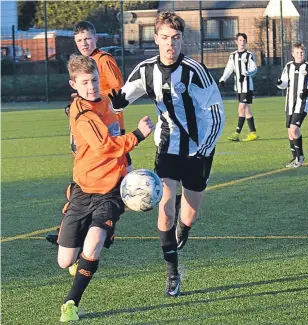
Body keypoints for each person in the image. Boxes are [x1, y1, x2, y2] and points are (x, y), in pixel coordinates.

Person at [108, 11, 225, 297]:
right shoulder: (146, 69)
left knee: (189, 214)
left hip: (199, 150)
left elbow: (217, 113)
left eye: (175, 38)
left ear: (182, 39)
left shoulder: (195, 71)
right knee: (164, 210)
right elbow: (120, 100)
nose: (170, 44)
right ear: (156, 38)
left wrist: (205, 148)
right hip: (167, 146)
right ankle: (172, 273)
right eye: (164, 38)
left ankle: (183, 230)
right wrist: (106, 103)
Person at [58, 54, 154, 322]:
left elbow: (116, 128)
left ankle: (71, 303)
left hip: (110, 189)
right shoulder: (83, 114)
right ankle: (70, 219)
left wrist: (128, 168)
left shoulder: (105, 102)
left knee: (95, 240)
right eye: (85, 82)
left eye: (95, 80)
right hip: (83, 187)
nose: (91, 87)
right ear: (74, 85)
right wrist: (138, 135)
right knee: (65, 262)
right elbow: (105, 147)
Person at [46, 21, 131, 246]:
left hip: (109, 131)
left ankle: (103, 228)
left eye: (87, 39)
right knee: (84, 179)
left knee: (121, 181)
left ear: (96, 39)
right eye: (79, 40)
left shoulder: (104, 60)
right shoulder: (82, 64)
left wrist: (92, 100)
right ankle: (71, 226)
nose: (84, 43)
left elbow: (118, 92)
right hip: (88, 129)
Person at [276, 42, 308, 167]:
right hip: (289, 103)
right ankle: (294, 157)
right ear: (292, 54)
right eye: (297, 52)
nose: (300, 54)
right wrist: (279, 83)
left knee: (294, 128)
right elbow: (284, 83)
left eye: (302, 52)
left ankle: (300, 157)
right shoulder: (288, 66)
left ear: (304, 53)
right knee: (290, 131)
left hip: (302, 104)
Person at [218, 33, 259, 142]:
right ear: (236, 42)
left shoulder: (249, 55)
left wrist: (245, 73)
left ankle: (237, 133)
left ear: (246, 42)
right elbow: (229, 69)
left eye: (244, 41)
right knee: (246, 110)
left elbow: (254, 69)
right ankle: (253, 132)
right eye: (240, 40)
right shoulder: (233, 55)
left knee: (241, 107)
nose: (242, 43)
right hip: (238, 87)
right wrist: (223, 79)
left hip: (247, 87)